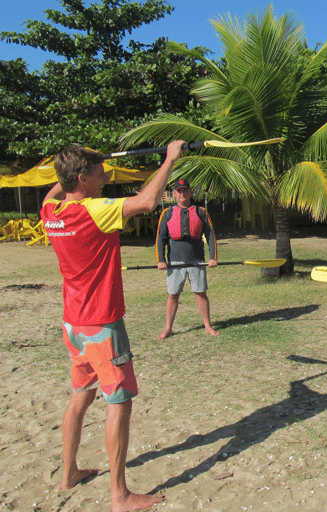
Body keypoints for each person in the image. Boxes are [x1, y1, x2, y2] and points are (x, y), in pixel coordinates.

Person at [41, 140, 185, 511]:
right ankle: (119, 496)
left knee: (79, 398)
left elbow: (54, 187)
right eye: (100, 170)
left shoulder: (50, 211)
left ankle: (69, 472)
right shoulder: (95, 211)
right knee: (117, 403)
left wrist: (75, 157)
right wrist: (169, 158)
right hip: (102, 326)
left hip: (73, 325)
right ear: (85, 177)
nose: (106, 175)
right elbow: (148, 201)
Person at [155, 178, 219, 339]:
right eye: (179, 191)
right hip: (175, 261)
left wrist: (213, 257)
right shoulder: (167, 213)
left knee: (200, 293)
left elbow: (210, 235)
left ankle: (207, 326)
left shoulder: (201, 212)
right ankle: (168, 328)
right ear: (175, 194)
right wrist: (160, 260)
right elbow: (160, 238)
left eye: (185, 190)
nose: (182, 193)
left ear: (190, 192)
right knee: (173, 294)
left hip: (196, 260)